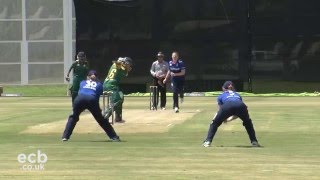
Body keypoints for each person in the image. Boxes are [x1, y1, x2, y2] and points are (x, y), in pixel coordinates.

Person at [62, 70, 120, 142]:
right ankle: (114, 137)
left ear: (87, 77)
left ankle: (65, 137)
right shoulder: (99, 84)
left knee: (73, 117)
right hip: (91, 99)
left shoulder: (82, 82)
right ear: (97, 77)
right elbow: (99, 93)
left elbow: (83, 90)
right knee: (101, 119)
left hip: (79, 99)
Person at [202, 81, 260, 147]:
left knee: (214, 123)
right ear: (233, 88)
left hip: (228, 105)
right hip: (241, 106)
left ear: (223, 88)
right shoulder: (238, 95)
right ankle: (254, 142)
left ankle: (207, 142)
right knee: (248, 123)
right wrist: (229, 119)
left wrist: (222, 119)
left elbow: (220, 110)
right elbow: (237, 113)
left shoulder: (221, 96)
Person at [103, 57, 133, 122]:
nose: (130, 66)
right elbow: (116, 63)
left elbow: (124, 70)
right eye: (129, 64)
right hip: (110, 85)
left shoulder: (124, 70)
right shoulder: (120, 66)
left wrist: (123, 64)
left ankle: (118, 117)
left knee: (121, 97)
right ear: (126, 63)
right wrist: (120, 62)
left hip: (114, 85)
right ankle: (104, 116)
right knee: (116, 101)